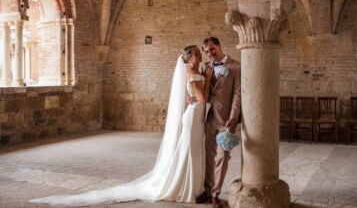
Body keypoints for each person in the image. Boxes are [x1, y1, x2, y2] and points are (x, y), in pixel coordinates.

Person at [30, 45, 212, 206]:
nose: (199, 56)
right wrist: (209, 80)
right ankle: (186, 189)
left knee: (193, 151)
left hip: (194, 115)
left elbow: (194, 97)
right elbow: (203, 98)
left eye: (198, 53)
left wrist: (198, 88)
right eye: (196, 54)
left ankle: (193, 188)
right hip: (193, 116)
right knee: (190, 152)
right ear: (188, 58)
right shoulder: (193, 75)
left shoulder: (194, 74)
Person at [196, 36, 241, 208]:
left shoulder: (236, 66)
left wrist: (233, 117)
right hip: (207, 117)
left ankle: (215, 194)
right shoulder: (205, 67)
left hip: (226, 119)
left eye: (212, 49)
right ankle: (207, 191)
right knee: (208, 156)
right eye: (206, 52)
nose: (210, 54)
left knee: (222, 156)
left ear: (219, 46)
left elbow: (238, 94)